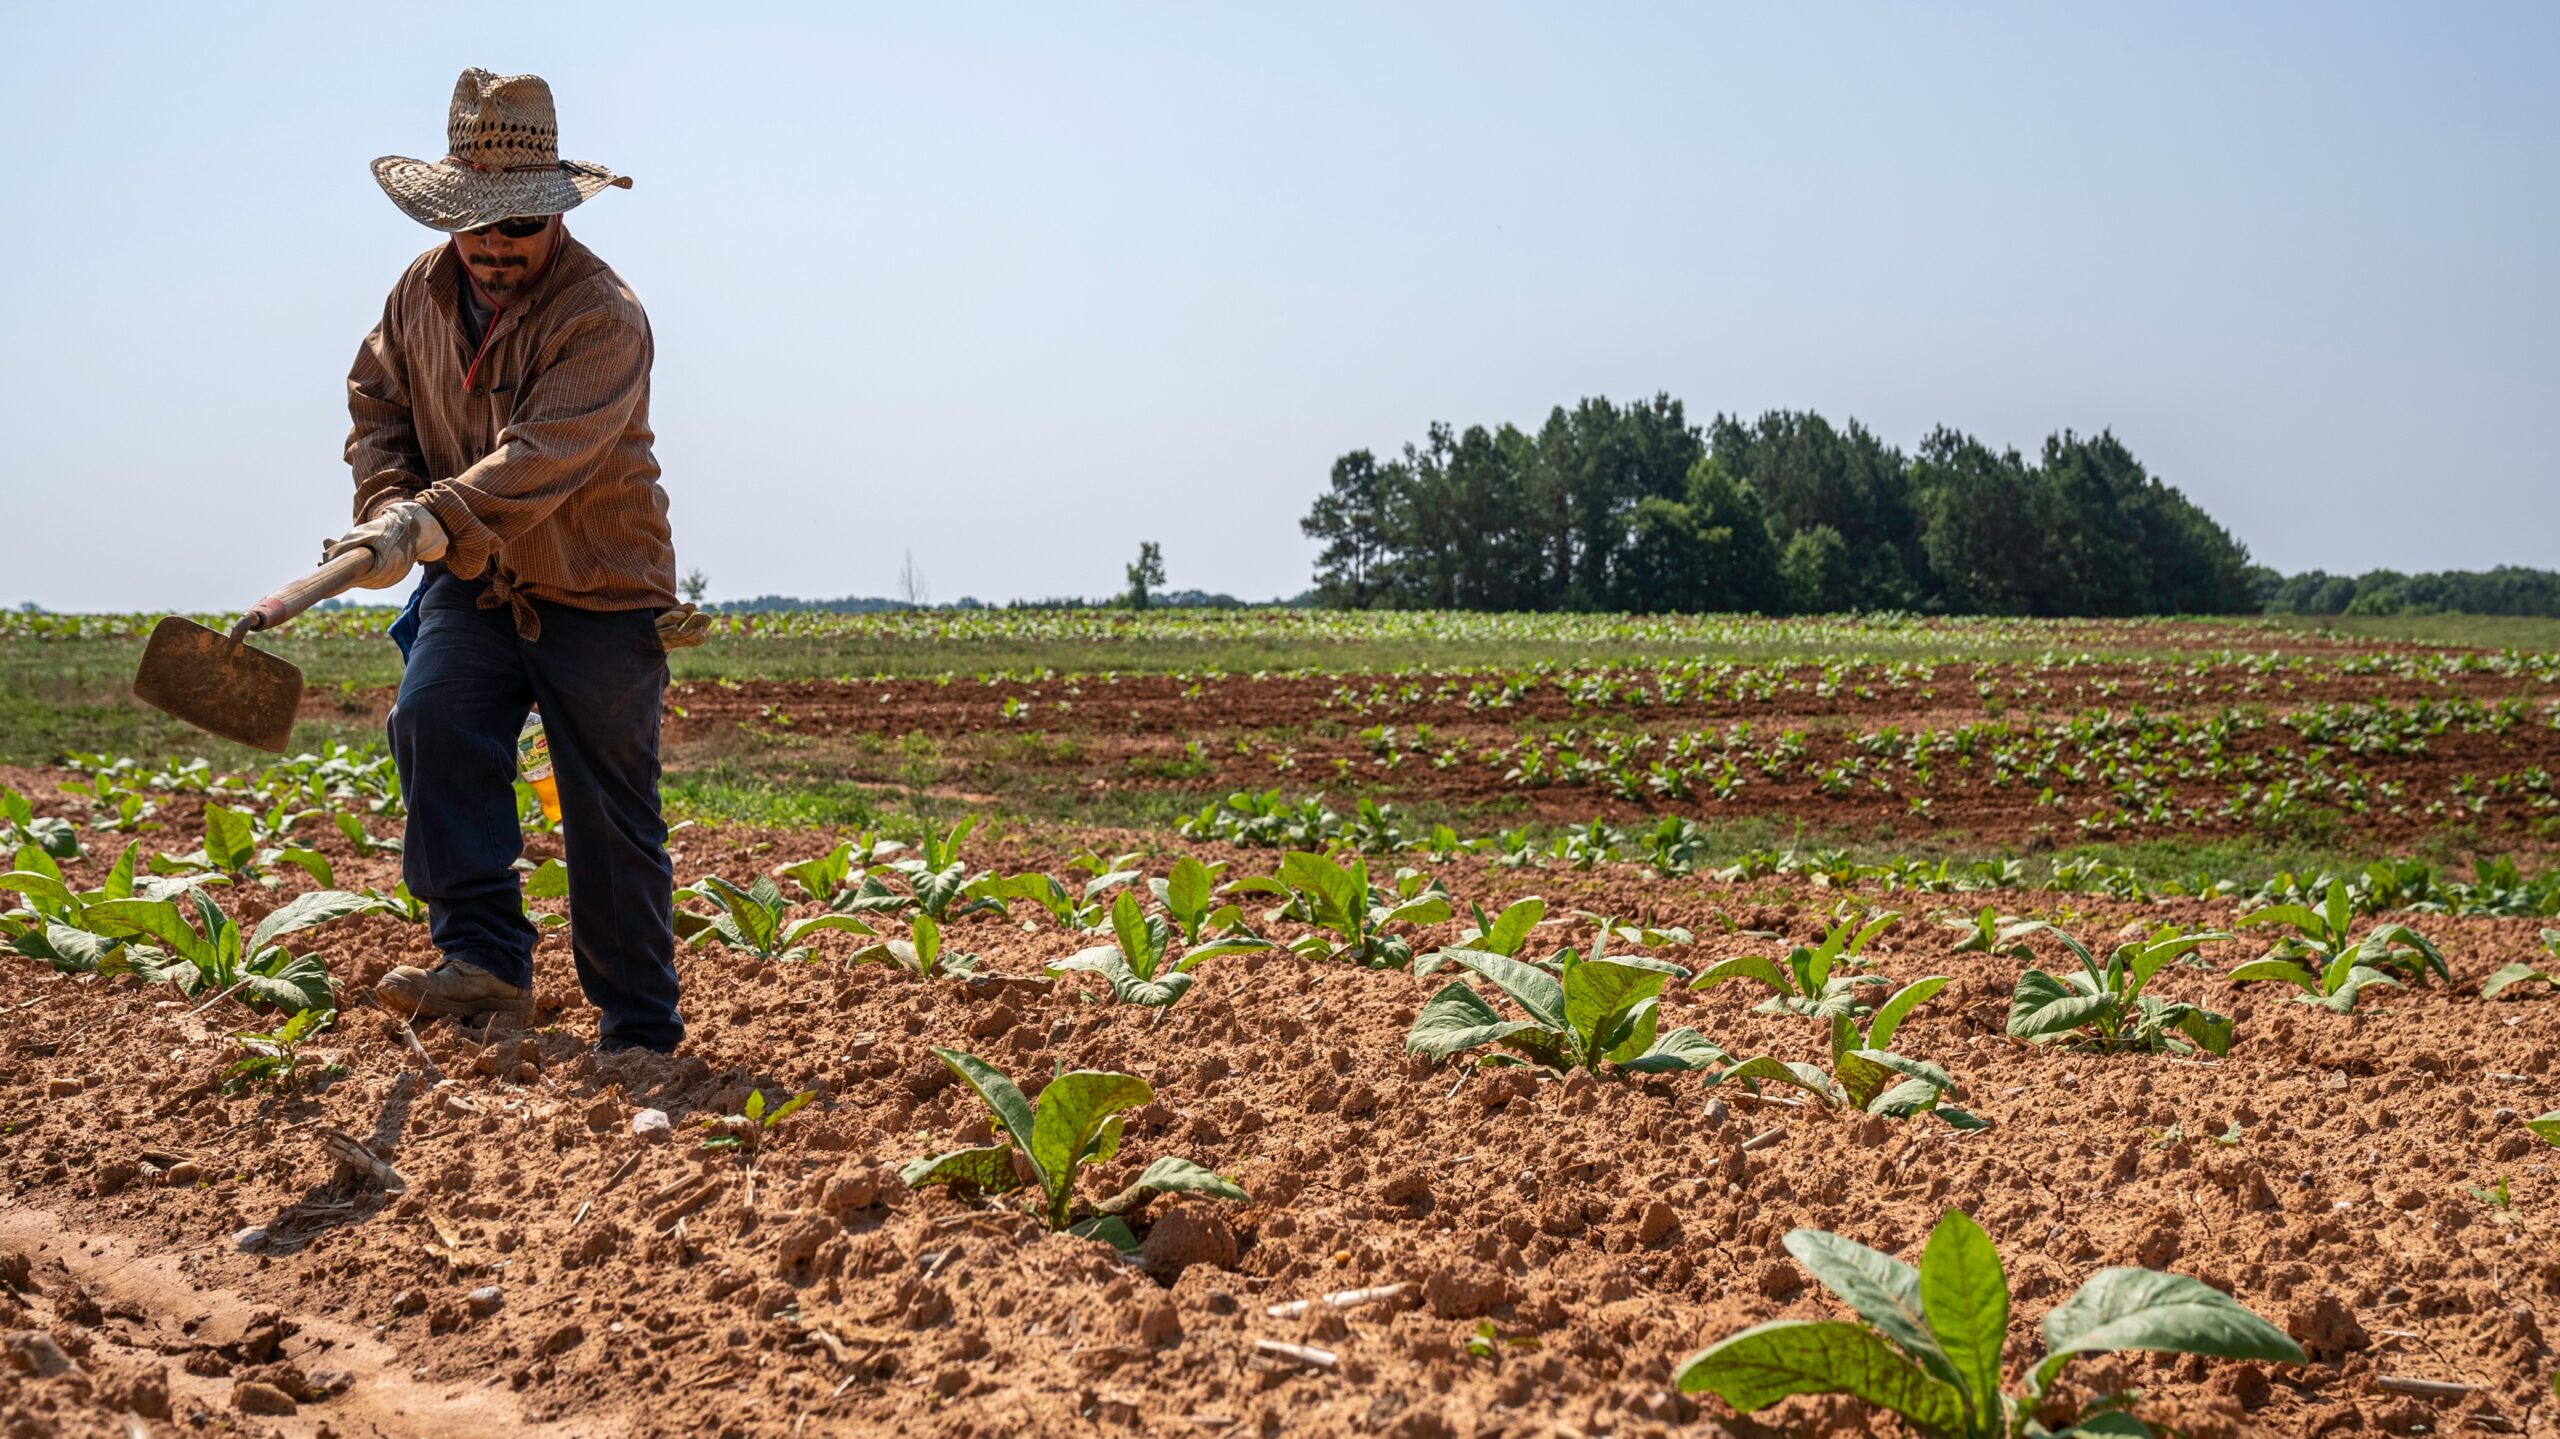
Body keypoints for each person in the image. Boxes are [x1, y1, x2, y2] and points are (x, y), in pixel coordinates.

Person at [326, 68, 710, 1053]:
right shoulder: (416, 294)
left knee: (605, 809)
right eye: (476, 224)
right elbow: (379, 407)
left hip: (596, 587)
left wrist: (422, 520)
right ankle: (486, 962)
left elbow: (541, 457)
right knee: (431, 715)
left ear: (554, 218)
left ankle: (638, 1030)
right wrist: (383, 507)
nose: (496, 247)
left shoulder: (603, 315)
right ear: (448, 215)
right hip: (474, 578)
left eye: (519, 226)